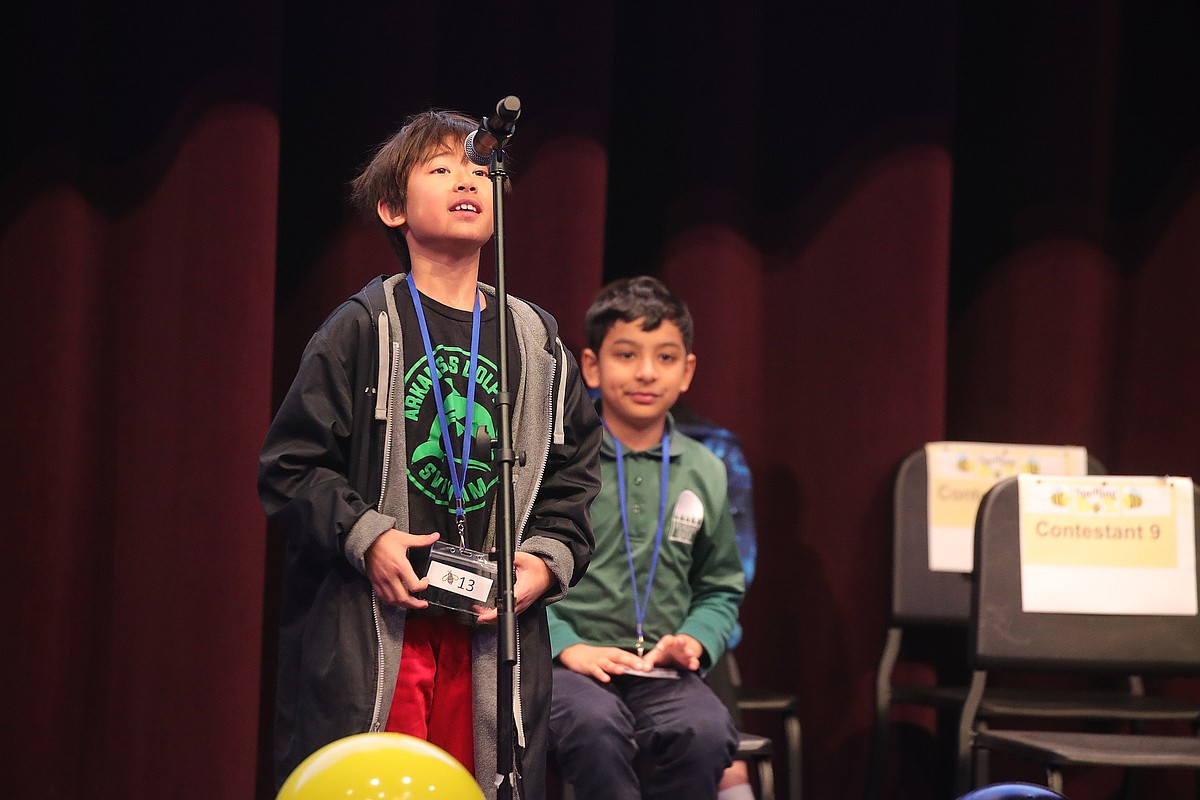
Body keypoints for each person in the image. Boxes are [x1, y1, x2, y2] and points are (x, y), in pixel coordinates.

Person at [258, 109, 602, 799]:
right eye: (440, 168)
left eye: (480, 168)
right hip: (380, 629)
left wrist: (541, 563)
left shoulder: (537, 344)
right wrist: (370, 538)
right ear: (393, 207)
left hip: (486, 638)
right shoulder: (362, 327)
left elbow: (574, 479)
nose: (466, 178)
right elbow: (291, 466)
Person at [547, 276, 746, 800]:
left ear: (687, 371)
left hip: (659, 669)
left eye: (664, 357)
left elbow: (720, 584)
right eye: (627, 354)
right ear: (591, 366)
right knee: (593, 728)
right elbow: (513, 572)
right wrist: (568, 647)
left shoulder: (705, 468)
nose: (645, 373)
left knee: (706, 732)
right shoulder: (559, 459)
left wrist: (694, 640)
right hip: (571, 667)